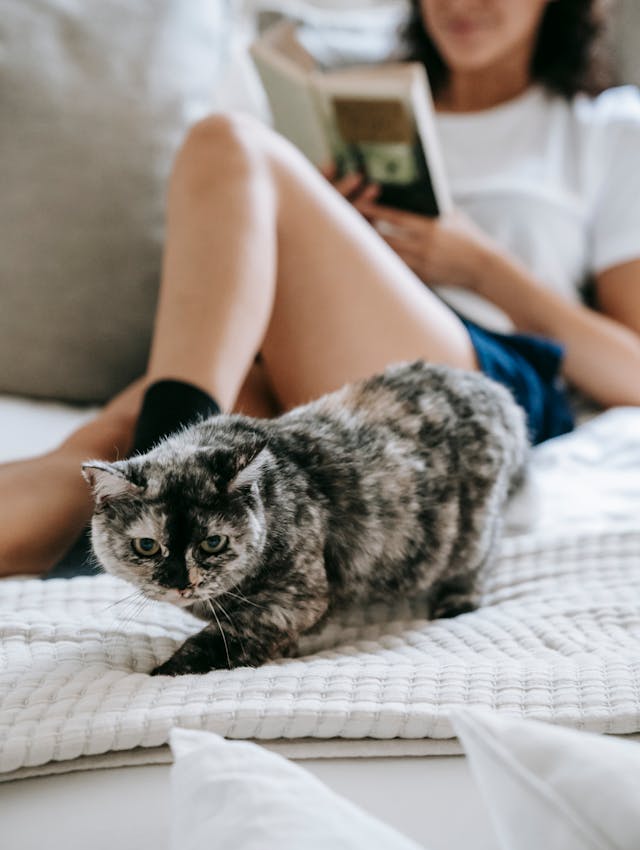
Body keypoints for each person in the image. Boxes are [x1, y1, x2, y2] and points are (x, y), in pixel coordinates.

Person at [2, 0, 640, 579]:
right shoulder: (358, 101)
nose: (458, 4)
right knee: (100, 454)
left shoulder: (605, 128)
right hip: (287, 346)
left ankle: (169, 473)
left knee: (230, 142)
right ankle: (162, 477)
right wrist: (326, 227)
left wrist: (480, 265)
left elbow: (631, 369)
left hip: (462, 374)